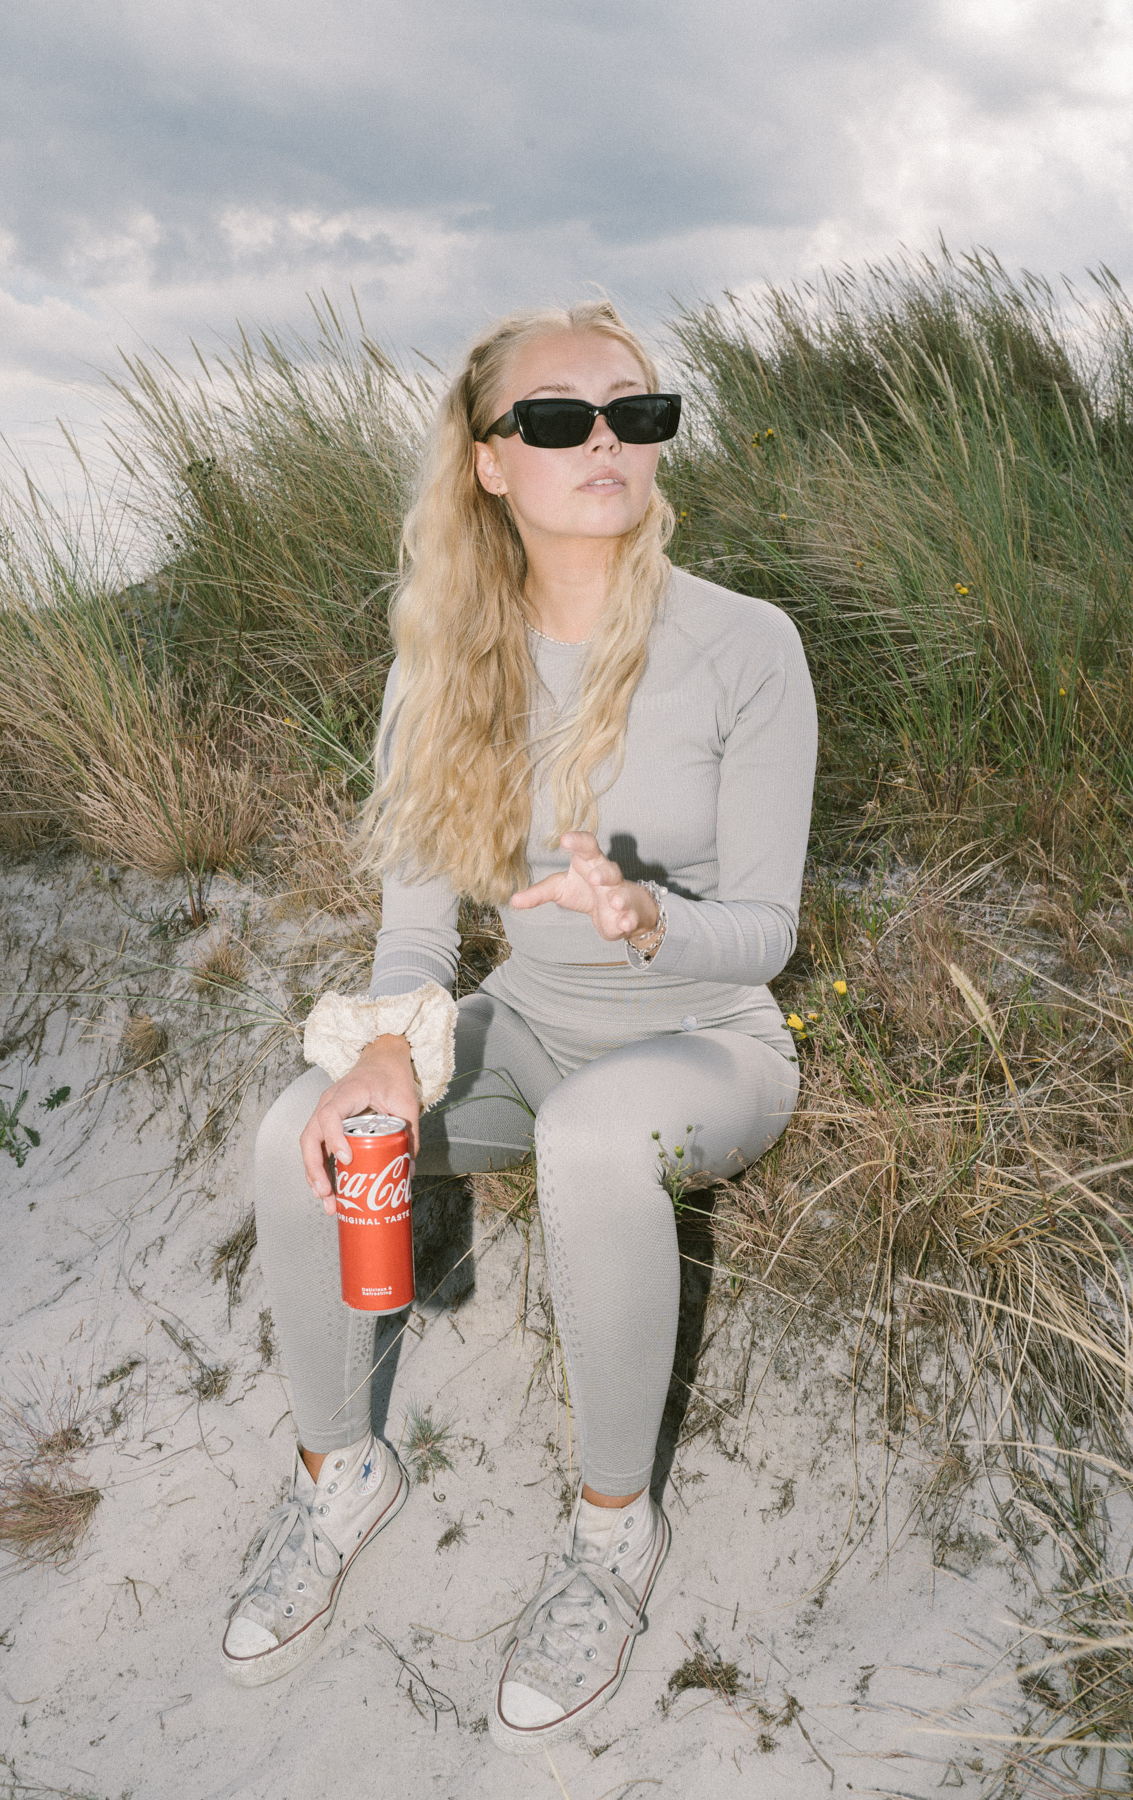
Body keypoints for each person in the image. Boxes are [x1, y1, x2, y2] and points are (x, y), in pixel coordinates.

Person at [220, 300, 818, 1752]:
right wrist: (384, 1047)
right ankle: (339, 1474)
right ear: (490, 461)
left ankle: (612, 1531)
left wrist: (649, 917)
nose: (605, 441)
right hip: (529, 1026)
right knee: (302, 1124)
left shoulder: (746, 645)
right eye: (558, 418)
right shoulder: (442, 663)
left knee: (595, 1137)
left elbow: (767, 933)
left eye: (637, 412)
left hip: (708, 1038)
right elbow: (420, 939)